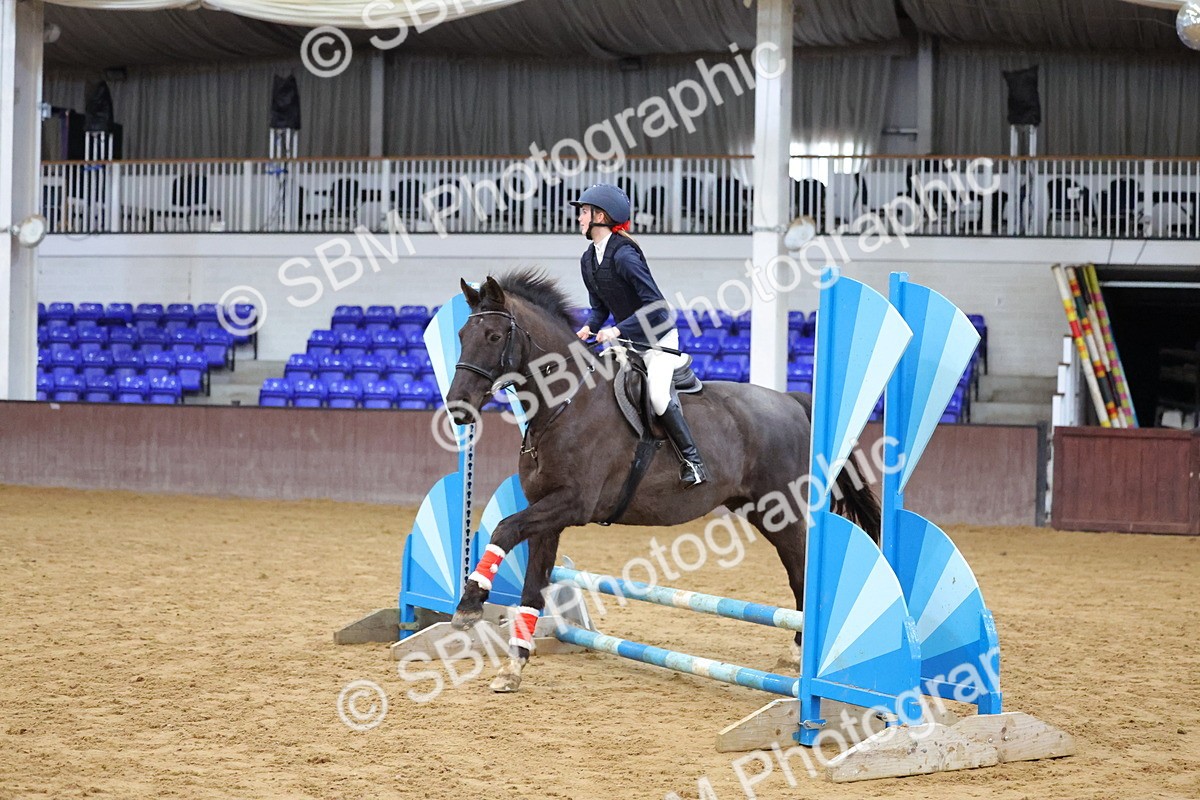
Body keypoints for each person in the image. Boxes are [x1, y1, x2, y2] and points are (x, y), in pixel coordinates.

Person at [569, 183, 709, 487]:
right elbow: (599, 308)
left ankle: (693, 462)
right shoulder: (588, 260)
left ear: (600, 217)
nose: (579, 218)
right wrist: (589, 326)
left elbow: (656, 306)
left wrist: (617, 329)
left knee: (658, 396)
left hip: (658, 341)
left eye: (584, 212)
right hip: (630, 343)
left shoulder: (624, 256)